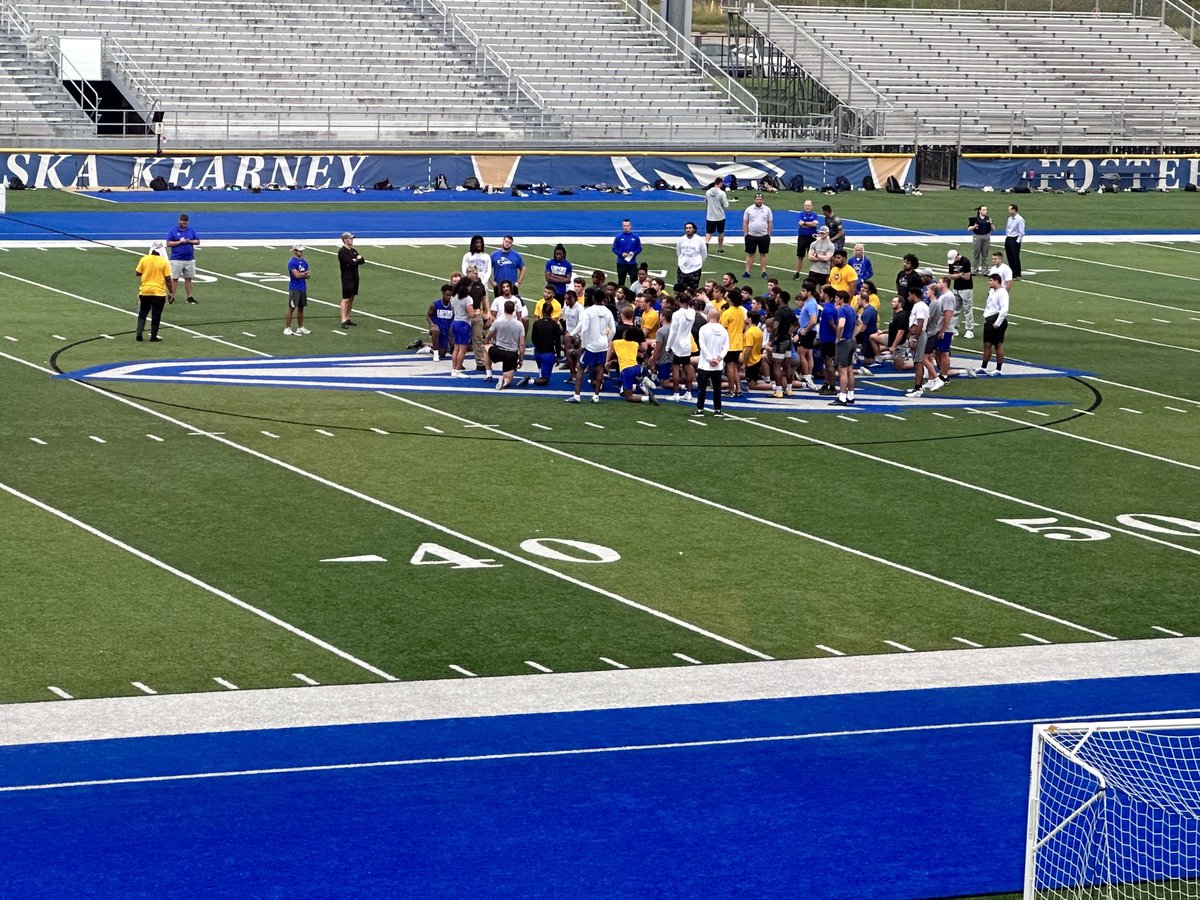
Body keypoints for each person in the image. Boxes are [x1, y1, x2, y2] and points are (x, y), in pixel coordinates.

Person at [566, 288, 615, 403]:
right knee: (599, 369)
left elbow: (583, 327)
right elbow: (612, 330)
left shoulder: (588, 311)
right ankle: (596, 396)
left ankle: (577, 396)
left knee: (581, 368)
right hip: (602, 345)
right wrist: (606, 341)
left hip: (590, 345)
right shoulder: (608, 312)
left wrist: (577, 339)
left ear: (593, 298)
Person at [609, 306, 657, 405]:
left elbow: (610, 349)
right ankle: (641, 382)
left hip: (625, 368)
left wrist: (607, 361)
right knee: (624, 383)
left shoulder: (617, 339)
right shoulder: (635, 341)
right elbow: (644, 348)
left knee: (627, 395)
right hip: (636, 366)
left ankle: (647, 398)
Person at [134, 240, 173, 342]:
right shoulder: (163, 262)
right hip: (158, 292)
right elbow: (168, 278)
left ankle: (139, 333)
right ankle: (153, 336)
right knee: (156, 315)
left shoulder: (144, 259)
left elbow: (138, 272)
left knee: (142, 313)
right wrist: (171, 292)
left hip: (145, 290)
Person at [694, 308, 729, 417]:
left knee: (702, 388)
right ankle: (717, 409)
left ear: (709, 317)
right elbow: (726, 347)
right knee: (717, 388)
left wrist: (709, 359)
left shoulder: (704, 329)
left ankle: (700, 409)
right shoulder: (723, 330)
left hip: (705, 364)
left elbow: (702, 346)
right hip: (717, 365)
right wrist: (718, 359)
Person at [485, 300, 526, 390]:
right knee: (508, 379)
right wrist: (521, 359)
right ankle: (504, 381)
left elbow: (489, 334)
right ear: (513, 311)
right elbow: (522, 344)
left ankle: (489, 374)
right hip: (511, 354)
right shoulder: (519, 325)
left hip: (498, 351)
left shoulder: (498, 322)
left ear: (504, 309)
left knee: (485, 347)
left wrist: (487, 341)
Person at [978, 272, 1010, 376]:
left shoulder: (1002, 292)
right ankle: (984, 367)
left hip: (996, 320)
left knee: (998, 344)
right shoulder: (992, 291)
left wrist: (997, 323)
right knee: (986, 344)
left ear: (997, 281)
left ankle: (998, 369)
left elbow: (1004, 309)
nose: (989, 282)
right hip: (988, 320)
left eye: (991, 280)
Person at [667, 295, 697, 402]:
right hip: (687, 344)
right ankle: (688, 393)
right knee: (687, 368)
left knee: (675, 368)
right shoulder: (692, 312)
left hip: (677, 344)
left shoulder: (676, 314)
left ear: (679, 300)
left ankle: (676, 394)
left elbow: (673, 332)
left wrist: (668, 346)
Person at [831, 290, 858, 406]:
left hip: (844, 342)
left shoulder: (842, 310)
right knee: (850, 370)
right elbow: (860, 323)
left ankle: (842, 397)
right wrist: (852, 335)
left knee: (842, 371)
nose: (835, 300)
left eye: (837, 298)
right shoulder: (852, 309)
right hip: (851, 341)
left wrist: (838, 338)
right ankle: (850, 395)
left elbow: (841, 324)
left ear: (841, 299)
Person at [165, 213, 199, 304]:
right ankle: (171, 296)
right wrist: (179, 242)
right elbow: (168, 243)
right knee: (174, 278)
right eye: (183, 223)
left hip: (189, 258)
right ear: (179, 221)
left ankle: (190, 297)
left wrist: (189, 241)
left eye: (186, 223)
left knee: (189, 278)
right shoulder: (173, 231)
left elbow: (197, 241)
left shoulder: (191, 230)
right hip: (177, 259)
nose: (185, 225)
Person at [768, 294, 797, 399]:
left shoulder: (779, 312)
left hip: (781, 341)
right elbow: (797, 324)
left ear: (780, 299)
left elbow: (775, 326)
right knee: (787, 365)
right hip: (788, 340)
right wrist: (789, 332)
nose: (776, 299)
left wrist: (774, 337)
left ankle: (779, 390)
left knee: (777, 365)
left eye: (777, 297)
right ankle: (789, 389)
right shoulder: (790, 310)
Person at [903, 287, 930, 397]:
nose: (909, 297)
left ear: (914, 295)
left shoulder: (919, 306)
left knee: (918, 362)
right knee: (917, 362)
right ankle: (917, 387)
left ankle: (918, 389)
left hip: (919, 335)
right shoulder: (922, 306)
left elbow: (920, 322)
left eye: (910, 295)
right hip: (919, 335)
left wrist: (914, 338)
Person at [720, 289, 747, 397]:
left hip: (730, 343)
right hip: (739, 342)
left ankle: (731, 390)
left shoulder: (727, 313)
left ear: (730, 299)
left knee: (730, 367)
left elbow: (723, 329)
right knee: (735, 367)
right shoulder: (741, 311)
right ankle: (738, 389)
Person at [530, 298, 562, 386]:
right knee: (545, 380)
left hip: (537, 353)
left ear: (542, 311)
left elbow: (533, 338)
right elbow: (558, 342)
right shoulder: (555, 324)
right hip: (548, 354)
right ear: (551, 312)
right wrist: (558, 356)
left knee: (541, 370)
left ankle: (540, 375)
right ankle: (531, 380)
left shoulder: (536, 323)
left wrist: (537, 348)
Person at [448, 279, 477, 376]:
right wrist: (476, 312)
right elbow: (471, 314)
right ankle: (458, 369)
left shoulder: (454, 296)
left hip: (455, 322)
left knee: (456, 348)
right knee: (462, 349)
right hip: (463, 324)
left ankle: (454, 369)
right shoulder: (468, 299)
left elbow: (453, 309)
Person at [337, 231, 365, 328]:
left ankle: (347, 318)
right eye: (350, 238)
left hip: (355, 277)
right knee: (346, 298)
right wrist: (356, 260)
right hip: (347, 278)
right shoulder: (342, 252)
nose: (352, 240)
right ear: (345, 240)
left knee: (352, 298)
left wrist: (356, 260)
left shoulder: (353, 250)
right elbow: (351, 262)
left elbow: (362, 260)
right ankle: (343, 319)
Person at [742, 193, 773, 279]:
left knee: (763, 254)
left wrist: (769, 234)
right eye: (757, 199)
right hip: (751, 235)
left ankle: (763, 272)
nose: (759, 201)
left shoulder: (767, 210)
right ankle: (747, 271)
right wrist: (745, 234)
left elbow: (770, 222)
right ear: (754, 200)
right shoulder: (749, 209)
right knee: (750, 254)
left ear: (762, 200)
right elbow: (745, 222)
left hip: (763, 236)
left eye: (760, 199)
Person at [946, 248, 975, 339]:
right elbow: (951, 276)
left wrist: (956, 276)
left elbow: (966, 277)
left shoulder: (965, 261)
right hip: (956, 288)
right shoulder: (952, 263)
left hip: (966, 288)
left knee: (967, 309)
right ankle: (954, 328)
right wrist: (959, 275)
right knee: (955, 309)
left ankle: (969, 329)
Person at [284, 244, 311, 336]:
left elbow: (308, 275)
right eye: (299, 251)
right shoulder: (292, 262)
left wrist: (302, 274)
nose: (301, 252)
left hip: (302, 287)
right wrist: (303, 274)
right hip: (294, 288)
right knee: (291, 308)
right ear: (295, 251)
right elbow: (296, 275)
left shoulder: (304, 262)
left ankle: (300, 327)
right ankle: (287, 328)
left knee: (301, 308)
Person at [675, 221, 707, 293]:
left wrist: (697, 262)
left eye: (690, 228)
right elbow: (679, 252)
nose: (688, 230)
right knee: (680, 288)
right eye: (686, 228)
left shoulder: (700, 240)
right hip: (682, 267)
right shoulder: (681, 240)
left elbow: (704, 253)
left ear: (694, 229)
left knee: (693, 289)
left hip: (695, 268)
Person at [427, 285, 455, 361]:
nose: (449, 297)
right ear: (443, 294)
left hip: (446, 330)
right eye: (447, 295)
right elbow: (428, 315)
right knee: (435, 331)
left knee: (442, 354)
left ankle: (426, 347)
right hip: (437, 328)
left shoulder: (452, 306)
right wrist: (432, 324)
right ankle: (435, 354)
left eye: (450, 296)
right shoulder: (435, 304)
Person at [793, 199, 819, 280]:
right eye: (806, 205)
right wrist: (809, 224)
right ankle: (797, 273)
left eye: (809, 205)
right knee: (800, 256)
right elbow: (801, 225)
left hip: (812, 237)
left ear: (811, 206)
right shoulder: (801, 214)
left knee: (811, 256)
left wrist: (805, 223)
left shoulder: (814, 214)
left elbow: (815, 224)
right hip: (802, 237)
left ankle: (812, 273)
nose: (807, 207)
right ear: (804, 206)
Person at [611, 219, 642, 286]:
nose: (626, 227)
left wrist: (634, 253)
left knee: (634, 281)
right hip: (621, 263)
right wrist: (621, 254)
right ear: (622, 226)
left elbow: (639, 248)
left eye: (627, 226)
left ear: (630, 226)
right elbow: (614, 248)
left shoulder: (635, 237)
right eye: (624, 226)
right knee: (621, 281)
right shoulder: (619, 237)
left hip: (632, 263)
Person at [743, 310, 767, 391]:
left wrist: (744, 363)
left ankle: (773, 386)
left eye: (746, 317)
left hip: (751, 361)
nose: (745, 319)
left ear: (750, 319)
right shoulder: (758, 330)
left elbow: (748, 350)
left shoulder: (750, 332)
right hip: (757, 357)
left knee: (752, 385)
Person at [704, 178, 729, 253]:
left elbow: (706, 201)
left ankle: (706, 244)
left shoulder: (708, 192)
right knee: (721, 232)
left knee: (708, 233)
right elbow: (725, 205)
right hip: (720, 216)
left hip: (710, 216)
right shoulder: (722, 193)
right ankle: (719, 249)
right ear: (720, 183)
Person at [968, 205, 993, 274]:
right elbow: (969, 229)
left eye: (986, 210)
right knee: (976, 254)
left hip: (986, 237)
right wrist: (974, 226)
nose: (985, 211)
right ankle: (974, 270)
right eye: (984, 210)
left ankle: (985, 270)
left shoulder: (988, 218)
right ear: (980, 211)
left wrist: (991, 223)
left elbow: (993, 229)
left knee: (985, 255)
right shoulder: (975, 219)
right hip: (977, 237)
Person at [1005, 203, 1025, 279]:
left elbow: (1021, 232)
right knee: (1009, 257)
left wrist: (1018, 241)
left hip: (1015, 239)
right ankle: (1012, 273)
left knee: (1015, 257)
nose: (1008, 211)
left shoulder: (1019, 219)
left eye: (1009, 209)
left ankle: (1018, 274)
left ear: (1014, 210)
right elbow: (1007, 229)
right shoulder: (1009, 219)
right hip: (1009, 238)